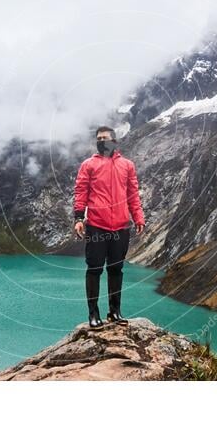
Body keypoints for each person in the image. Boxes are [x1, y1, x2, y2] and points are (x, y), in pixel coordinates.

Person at [73, 126, 146, 329]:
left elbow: (132, 194)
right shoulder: (88, 165)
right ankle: (93, 314)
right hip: (96, 225)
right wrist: (79, 218)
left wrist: (138, 217)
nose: (101, 141)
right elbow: (81, 192)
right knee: (94, 269)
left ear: (114, 141)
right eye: (98, 138)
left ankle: (115, 312)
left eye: (105, 138)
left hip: (121, 226)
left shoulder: (127, 166)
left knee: (116, 269)